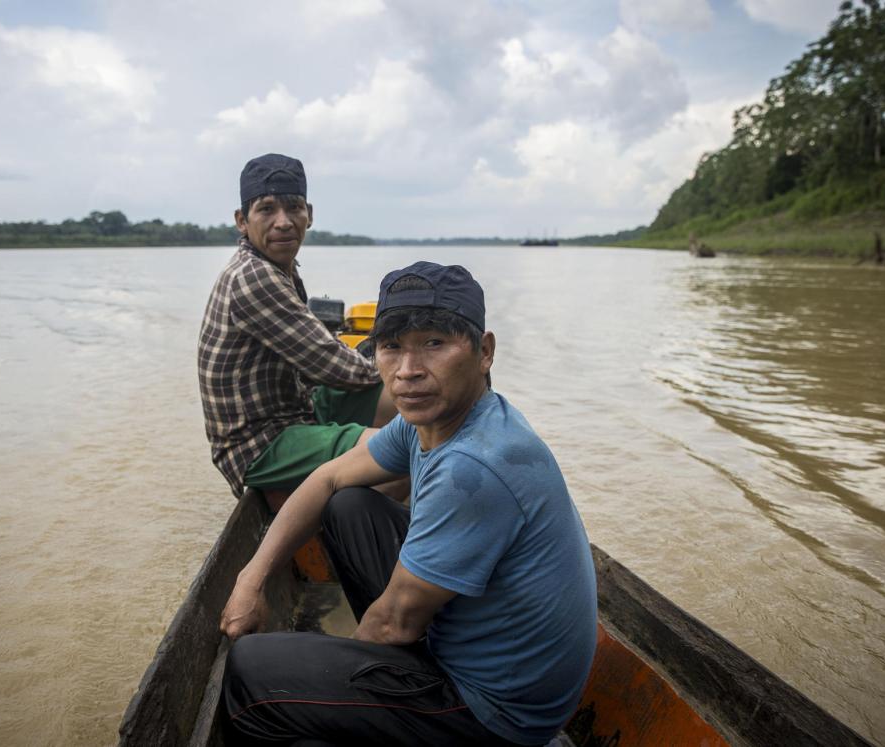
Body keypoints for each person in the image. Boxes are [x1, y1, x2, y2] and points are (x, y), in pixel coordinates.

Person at [218, 261, 598, 746]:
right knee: (348, 505)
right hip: (464, 654)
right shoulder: (434, 418)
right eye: (391, 347)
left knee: (253, 672)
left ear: (484, 352)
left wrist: (331, 676)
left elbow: (393, 622)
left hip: (494, 715)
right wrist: (251, 579)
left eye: (435, 343)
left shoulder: (473, 467)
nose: (408, 371)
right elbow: (330, 476)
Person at [198, 153, 394, 500]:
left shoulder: (278, 266)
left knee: (406, 397)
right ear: (242, 220)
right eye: (267, 209)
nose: (284, 222)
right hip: (258, 444)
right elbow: (332, 365)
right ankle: (365, 528)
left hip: (294, 409)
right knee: (401, 447)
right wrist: (393, 366)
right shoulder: (253, 276)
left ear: (310, 214)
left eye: (293, 208)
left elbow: (322, 361)